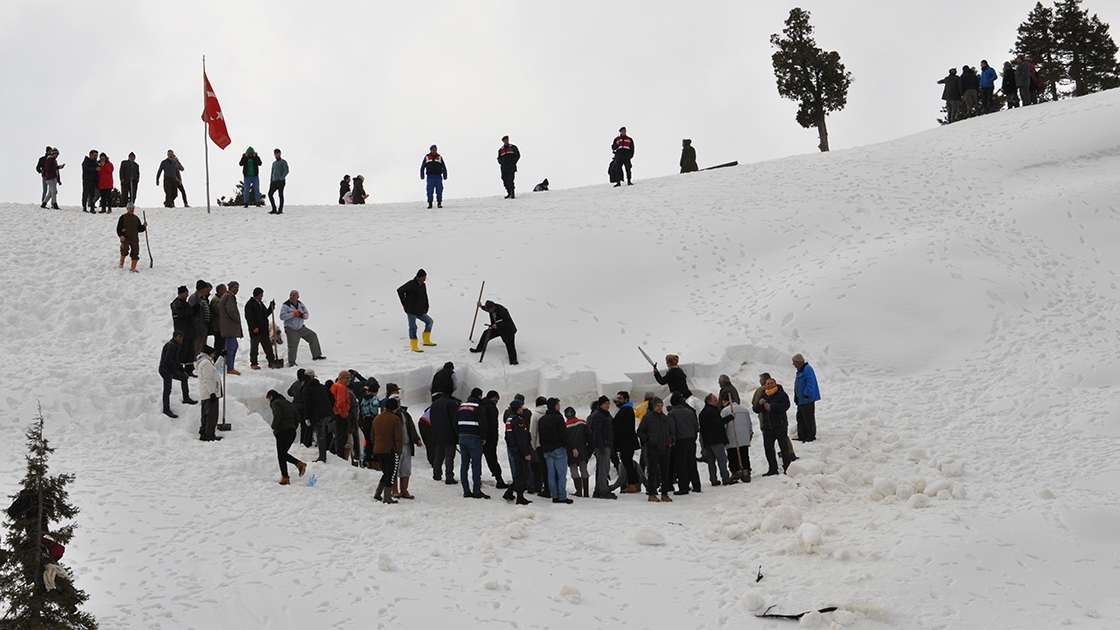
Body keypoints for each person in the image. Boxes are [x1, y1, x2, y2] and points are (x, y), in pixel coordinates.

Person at [636, 396, 674, 502]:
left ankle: (665, 493)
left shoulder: (666, 418)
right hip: (653, 448)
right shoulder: (647, 418)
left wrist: (671, 439)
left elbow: (671, 431)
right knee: (652, 472)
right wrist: (648, 439)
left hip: (665, 448)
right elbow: (640, 431)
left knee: (665, 472)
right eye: (658, 406)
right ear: (653, 406)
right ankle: (652, 493)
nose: (660, 408)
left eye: (661, 406)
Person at [752, 372, 796, 463]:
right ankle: (772, 469)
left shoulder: (781, 394)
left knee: (784, 447)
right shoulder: (763, 395)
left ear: (775, 384)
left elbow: (785, 406)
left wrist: (772, 406)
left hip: (779, 425)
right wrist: (759, 404)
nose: (770, 385)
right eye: (768, 384)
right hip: (767, 426)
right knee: (769, 450)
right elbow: (755, 409)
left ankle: (787, 466)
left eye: (772, 383)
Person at [538, 398, 576, 504]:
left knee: (550, 474)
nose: (559, 406)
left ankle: (554, 496)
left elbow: (541, 436)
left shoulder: (542, 419)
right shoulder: (558, 418)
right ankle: (562, 496)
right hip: (558, 449)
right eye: (558, 405)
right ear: (555, 406)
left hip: (546, 450)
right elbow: (564, 435)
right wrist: (572, 447)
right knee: (561, 474)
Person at [266, 390, 307, 485]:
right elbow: (297, 417)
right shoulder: (289, 403)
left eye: (268, 399)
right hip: (291, 431)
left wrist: (274, 426)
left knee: (281, 455)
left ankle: (286, 477)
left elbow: (277, 414)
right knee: (283, 454)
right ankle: (298, 465)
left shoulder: (275, 403)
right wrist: (293, 427)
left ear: (271, 397)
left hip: (282, 431)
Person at [457, 389, 489, 499]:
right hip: (474, 438)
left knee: (464, 464)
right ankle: (476, 490)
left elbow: (455, 421)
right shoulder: (478, 406)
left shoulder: (461, 406)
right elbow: (483, 423)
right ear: (479, 396)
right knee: (476, 465)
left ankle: (466, 490)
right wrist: (483, 437)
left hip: (462, 437)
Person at [279, 290, 325, 367]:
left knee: (313, 336)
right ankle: (292, 363)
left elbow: (307, 314)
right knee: (293, 345)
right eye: (291, 295)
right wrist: (293, 314)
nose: (292, 297)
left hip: (301, 328)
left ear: (298, 297)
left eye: (294, 295)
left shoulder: (301, 304)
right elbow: (282, 316)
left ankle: (316, 355)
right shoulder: (285, 306)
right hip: (291, 329)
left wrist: (304, 316)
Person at [372, 398, 404, 504]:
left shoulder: (377, 418)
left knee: (386, 472)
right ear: (395, 407)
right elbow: (398, 437)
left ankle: (378, 493)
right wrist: (398, 451)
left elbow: (372, 436)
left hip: (378, 449)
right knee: (391, 473)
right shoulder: (395, 419)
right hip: (390, 450)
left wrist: (376, 445)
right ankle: (387, 497)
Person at [667, 393, 701, 495]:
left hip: (680, 441)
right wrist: (693, 437)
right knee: (692, 463)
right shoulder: (690, 412)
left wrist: (673, 441)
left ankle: (684, 487)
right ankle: (696, 485)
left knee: (681, 464)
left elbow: (672, 429)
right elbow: (696, 426)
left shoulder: (672, 414)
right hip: (691, 439)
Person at [389, 391, 420, 499]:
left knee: (406, 469)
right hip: (396, 445)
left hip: (407, 444)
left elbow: (410, 428)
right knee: (395, 468)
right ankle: (394, 490)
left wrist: (416, 440)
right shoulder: (390, 415)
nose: (398, 403)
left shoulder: (405, 414)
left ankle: (404, 490)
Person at [503, 399, 533, 505]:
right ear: (519, 409)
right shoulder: (518, 421)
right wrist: (526, 453)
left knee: (519, 472)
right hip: (520, 451)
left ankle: (510, 491)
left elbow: (507, 436)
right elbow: (521, 438)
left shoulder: (509, 419)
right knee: (522, 473)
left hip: (514, 449)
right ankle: (520, 496)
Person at [159, 331, 196, 418]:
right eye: (179, 337)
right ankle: (166, 409)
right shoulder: (171, 345)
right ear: (174, 336)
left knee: (184, 378)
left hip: (170, 370)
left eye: (182, 337)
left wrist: (182, 371)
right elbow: (169, 359)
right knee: (167, 390)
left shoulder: (175, 345)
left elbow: (177, 360)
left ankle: (186, 398)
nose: (181, 339)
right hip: (166, 371)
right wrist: (175, 370)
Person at [397, 269, 435, 352]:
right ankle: (414, 345)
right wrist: (405, 304)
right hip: (411, 310)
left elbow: (425, 296)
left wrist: (426, 307)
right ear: (419, 277)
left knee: (429, 322)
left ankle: (426, 340)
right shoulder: (411, 284)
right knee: (413, 327)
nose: (425, 279)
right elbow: (400, 290)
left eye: (425, 277)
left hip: (420, 310)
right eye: (423, 277)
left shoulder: (423, 285)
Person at [698, 394, 732, 486]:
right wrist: (730, 417)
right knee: (722, 459)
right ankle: (725, 478)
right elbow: (718, 423)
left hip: (707, 441)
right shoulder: (713, 411)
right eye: (715, 400)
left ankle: (713, 479)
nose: (717, 402)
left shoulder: (702, 413)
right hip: (716, 439)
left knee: (711, 461)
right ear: (709, 402)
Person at [720, 392, 753, 483]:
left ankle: (735, 472)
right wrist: (749, 434)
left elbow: (723, 425)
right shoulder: (744, 410)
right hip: (744, 437)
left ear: (725, 401)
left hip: (732, 437)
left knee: (733, 456)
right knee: (744, 455)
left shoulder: (725, 411)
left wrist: (724, 437)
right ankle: (747, 470)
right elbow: (749, 424)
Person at [302, 369, 334, 462]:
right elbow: (332, 398)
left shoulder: (306, 389)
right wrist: (329, 409)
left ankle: (322, 457)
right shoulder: (323, 387)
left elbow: (307, 404)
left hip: (319, 416)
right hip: (329, 414)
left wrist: (307, 417)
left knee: (320, 435)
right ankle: (328, 452)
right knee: (328, 433)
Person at [428, 391, 460, 483]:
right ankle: (449, 476)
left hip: (437, 434)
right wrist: (457, 434)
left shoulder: (435, 404)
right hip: (449, 435)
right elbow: (455, 420)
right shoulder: (451, 403)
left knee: (438, 455)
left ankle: (436, 474)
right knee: (449, 456)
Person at [587, 395, 615, 499]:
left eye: (608, 403)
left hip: (606, 444)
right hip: (602, 446)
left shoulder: (606, 415)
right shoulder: (598, 416)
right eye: (605, 404)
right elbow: (597, 433)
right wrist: (602, 445)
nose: (607, 405)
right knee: (603, 468)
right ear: (600, 405)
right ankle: (602, 490)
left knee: (604, 468)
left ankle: (600, 489)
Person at [613, 391, 641, 493]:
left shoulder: (625, 410)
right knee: (628, 462)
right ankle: (636, 483)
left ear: (626, 399)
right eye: (618, 398)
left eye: (620, 398)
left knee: (628, 463)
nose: (618, 400)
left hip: (626, 443)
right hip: (628, 442)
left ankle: (633, 484)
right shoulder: (626, 410)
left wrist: (617, 444)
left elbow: (622, 428)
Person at [195, 345, 223, 442]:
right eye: (213, 353)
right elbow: (208, 379)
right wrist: (212, 393)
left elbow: (214, 369)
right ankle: (209, 435)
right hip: (209, 393)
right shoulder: (206, 363)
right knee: (211, 415)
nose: (214, 354)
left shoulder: (204, 362)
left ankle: (203, 433)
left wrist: (221, 357)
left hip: (205, 393)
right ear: (209, 353)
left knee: (205, 415)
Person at [244, 287, 277, 370]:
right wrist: (253, 327)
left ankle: (271, 361)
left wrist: (271, 308)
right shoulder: (250, 304)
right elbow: (249, 317)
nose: (262, 296)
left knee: (268, 347)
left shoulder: (261, 304)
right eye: (261, 294)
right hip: (256, 330)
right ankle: (254, 363)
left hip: (264, 330)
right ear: (257, 294)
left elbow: (265, 314)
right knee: (254, 347)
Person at [480, 390, 507, 488]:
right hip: (489, 438)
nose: (497, 401)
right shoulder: (492, 408)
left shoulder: (480, 406)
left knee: (477, 459)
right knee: (492, 459)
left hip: (479, 437)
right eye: (496, 399)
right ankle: (499, 479)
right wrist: (494, 438)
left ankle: (476, 478)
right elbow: (493, 425)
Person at [564, 406, 592, 498]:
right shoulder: (582, 423)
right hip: (583, 450)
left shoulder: (565, 426)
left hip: (570, 452)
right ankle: (586, 492)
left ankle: (579, 491)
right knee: (584, 469)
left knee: (574, 470)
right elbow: (589, 436)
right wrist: (590, 450)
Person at [792, 353, 820, 442]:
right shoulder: (801, 370)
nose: (793, 364)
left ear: (799, 362)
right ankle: (802, 435)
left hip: (807, 399)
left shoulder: (807, 369)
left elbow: (810, 382)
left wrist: (806, 394)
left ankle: (810, 435)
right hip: (801, 400)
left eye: (794, 362)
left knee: (808, 418)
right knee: (800, 417)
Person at [217, 281, 244, 374]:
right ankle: (229, 367)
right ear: (231, 288)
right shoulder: (228, 296)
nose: (237, 289)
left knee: (234, 346)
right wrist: (236, 318)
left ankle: (230, 366)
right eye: (235, 287)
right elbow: (230, 310)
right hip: (229, 327)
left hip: (229, 327)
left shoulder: (227, 296)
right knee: (231, 348)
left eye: (238, 287)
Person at [115, 203, 147, 272]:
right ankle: (121, 262)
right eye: (130, 208)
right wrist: (121, 235)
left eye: (132, 208)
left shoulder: (136, 218)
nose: (131, 210)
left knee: (135, 253)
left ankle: (133, 268)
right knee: (124, 250)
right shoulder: (122, 217)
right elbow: (118, 228)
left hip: (134, 238)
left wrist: (144, 226)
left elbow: (139, 229)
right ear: (127, 209)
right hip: (125, 238)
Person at [187, 280, 213, 361]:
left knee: (202, 346)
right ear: (202, 289)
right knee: (197, 346)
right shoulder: (194, 298)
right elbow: (191, 311)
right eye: (206, 288)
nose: (207, 291)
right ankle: (194, 362)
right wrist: (196, 322)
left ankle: (199, 361)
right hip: (197, 326)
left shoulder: (203, 298)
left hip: (203, 326)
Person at [330, 371, 354, 460]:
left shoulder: (335, 385)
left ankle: (332, 453)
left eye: (349, 378)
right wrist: (344, 414)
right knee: (342, 437)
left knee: (337, 435)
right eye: (346, 378)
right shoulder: (341, 387)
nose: (348, 380)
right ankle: (340, 457)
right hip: (340, 415)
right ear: (341, 378)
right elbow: (341, 402)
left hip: (335, 414)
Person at [420, 144, 447, 209]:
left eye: (436, 149)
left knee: (439, 190)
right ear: (431, 150)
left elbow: (443, 166)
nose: (435, 151)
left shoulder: (439, 157)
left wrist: (445, 175)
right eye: (433, 149)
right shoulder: (427, 157)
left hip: (438, 177)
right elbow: (422, 167)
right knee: (429, 190)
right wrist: (422, 175)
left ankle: (439, 203)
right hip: (430, 177)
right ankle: (430, 204)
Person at [267, 148, 289, 214]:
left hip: (280, 181)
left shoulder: (283, 161)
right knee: (270, 194)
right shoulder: (274, 163)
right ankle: (274, 209)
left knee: (280, 194)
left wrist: (282, 177)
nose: (276, 155)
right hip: (274, 181)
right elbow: (272, 172)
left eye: (277, 153)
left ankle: (280, 209)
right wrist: (271, 179)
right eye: (275, 154)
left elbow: (286, 170)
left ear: (280, 153)